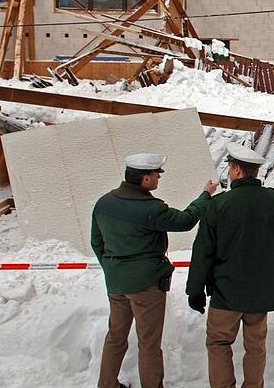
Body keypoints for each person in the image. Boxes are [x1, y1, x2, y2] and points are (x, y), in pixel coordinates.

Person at [91, 153, 219, 388]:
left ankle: (106, 384)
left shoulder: (104, 202)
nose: (159, 178)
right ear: (145, 179)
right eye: (156, 174)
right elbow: (186, 220)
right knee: (148, 343)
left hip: (116, 283)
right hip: (147, 286)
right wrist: (205, 195)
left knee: (115, 337)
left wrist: (112, 268)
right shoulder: (151, 208)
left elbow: (96, 243)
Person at [186, 142, 274, 388]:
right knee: (256, 346)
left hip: (226, 292)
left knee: (219, 343)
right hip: (262, 291)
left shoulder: (218, 205)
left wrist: (195, 289)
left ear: (235, 170)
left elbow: (203, 251)